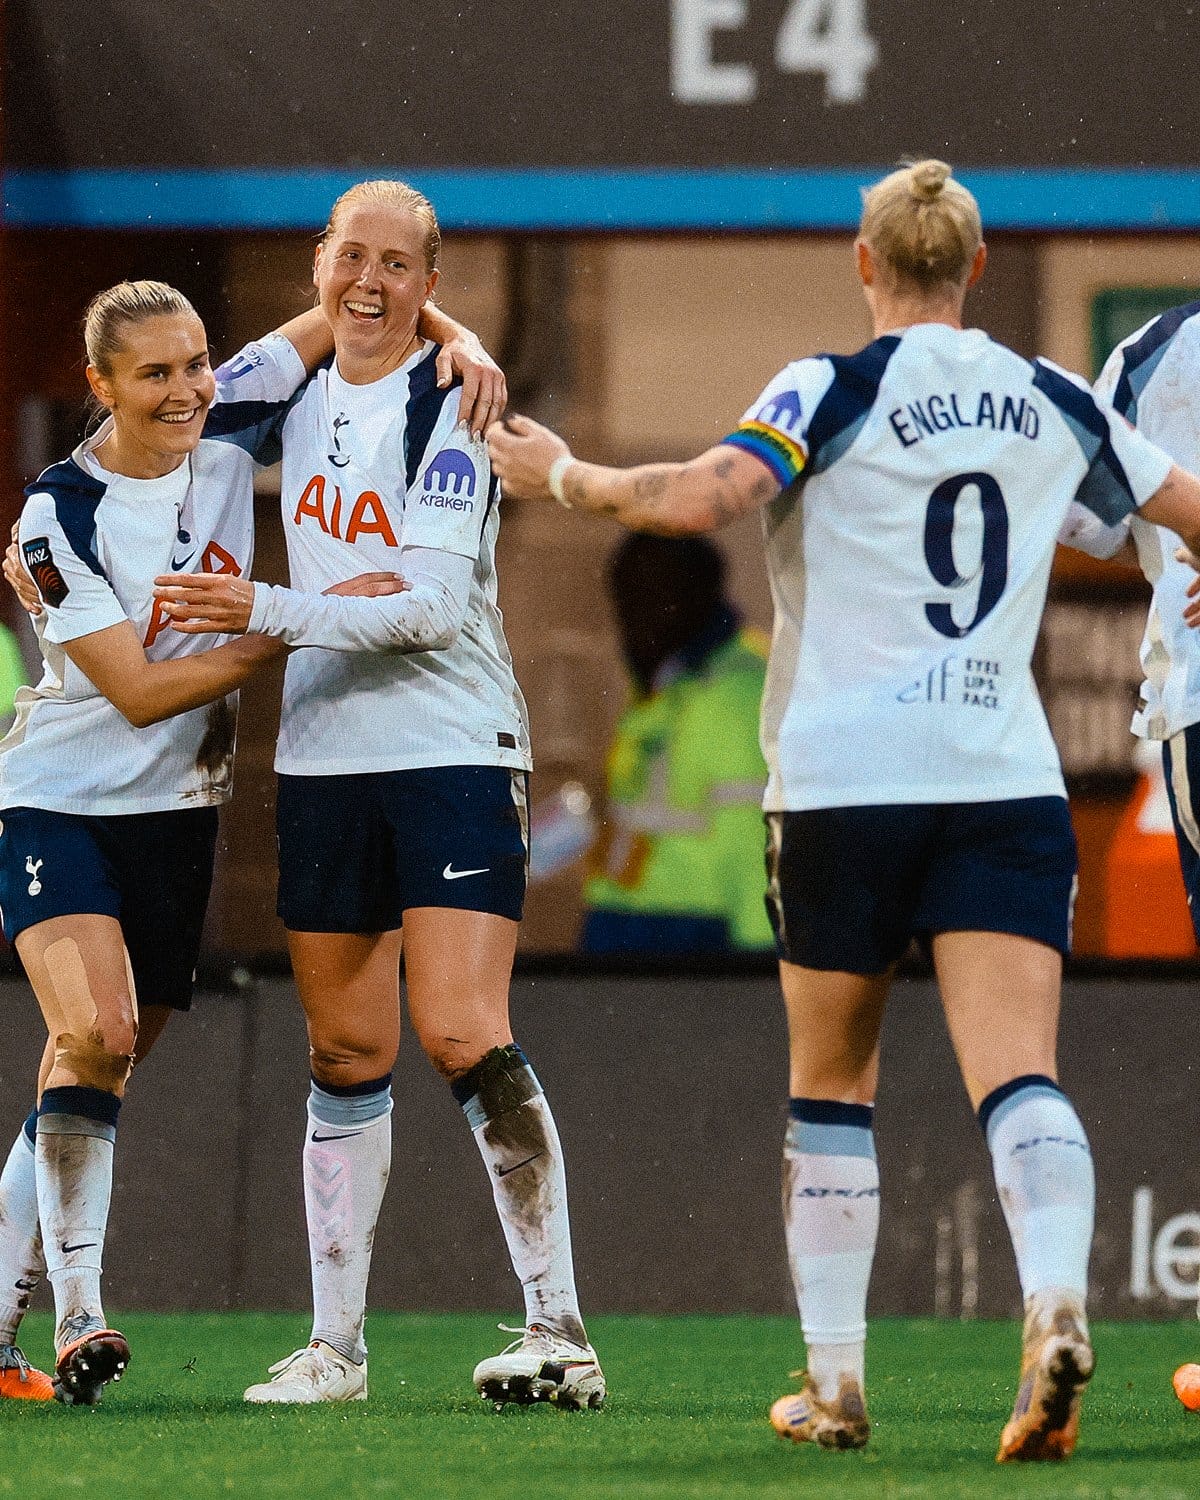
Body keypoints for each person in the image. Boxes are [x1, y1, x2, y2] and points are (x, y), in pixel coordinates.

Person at [486, 160, 1200, 1460]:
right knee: (1022, 1076)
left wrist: (567, 477)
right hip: (1002, 781)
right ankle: (1051, 1306)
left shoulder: (831, 386)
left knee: (832, 1085)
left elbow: (703, 496)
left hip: (845, 790)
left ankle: (836, 1386)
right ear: (977, 268)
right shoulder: (1049, 395)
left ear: (865, 265)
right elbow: (1171, 516)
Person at [0, 279, 500, 1407]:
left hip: (179, 810)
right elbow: (135, 690)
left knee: (98, 1063)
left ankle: (0, 1327)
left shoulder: (229, 408)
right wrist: (297, 615)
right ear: (102, 388)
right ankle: (81, 1313)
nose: (185, 392)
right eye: (154, 375)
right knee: (96, 1027)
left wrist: (464, 344)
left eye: (195, 365)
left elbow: (353, 304)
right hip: (61, 800)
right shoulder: (55, 516)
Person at [153, 179, 603, 1411]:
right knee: (344, 1048)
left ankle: (559, 1330)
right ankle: (335, 1349)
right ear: (318, 264)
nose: (371, 283)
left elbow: (428, 610)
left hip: (453, 744)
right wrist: (364, 317)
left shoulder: (451, 404)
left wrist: (263, 610)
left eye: (401, 266)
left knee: (461, 1029)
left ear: (433, 283)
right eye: (353, 257)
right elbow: (211, 392)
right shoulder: (282, 392)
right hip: (323, 759)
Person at [581, 532, 772, 956]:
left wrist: (759, 968)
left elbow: (752, 836)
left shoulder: (739, 688)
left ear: (702, 595)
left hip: (695, 931)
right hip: (627, 918)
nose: (635, 613)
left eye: (657, 593)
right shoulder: (664, 675)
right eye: (627, 595)